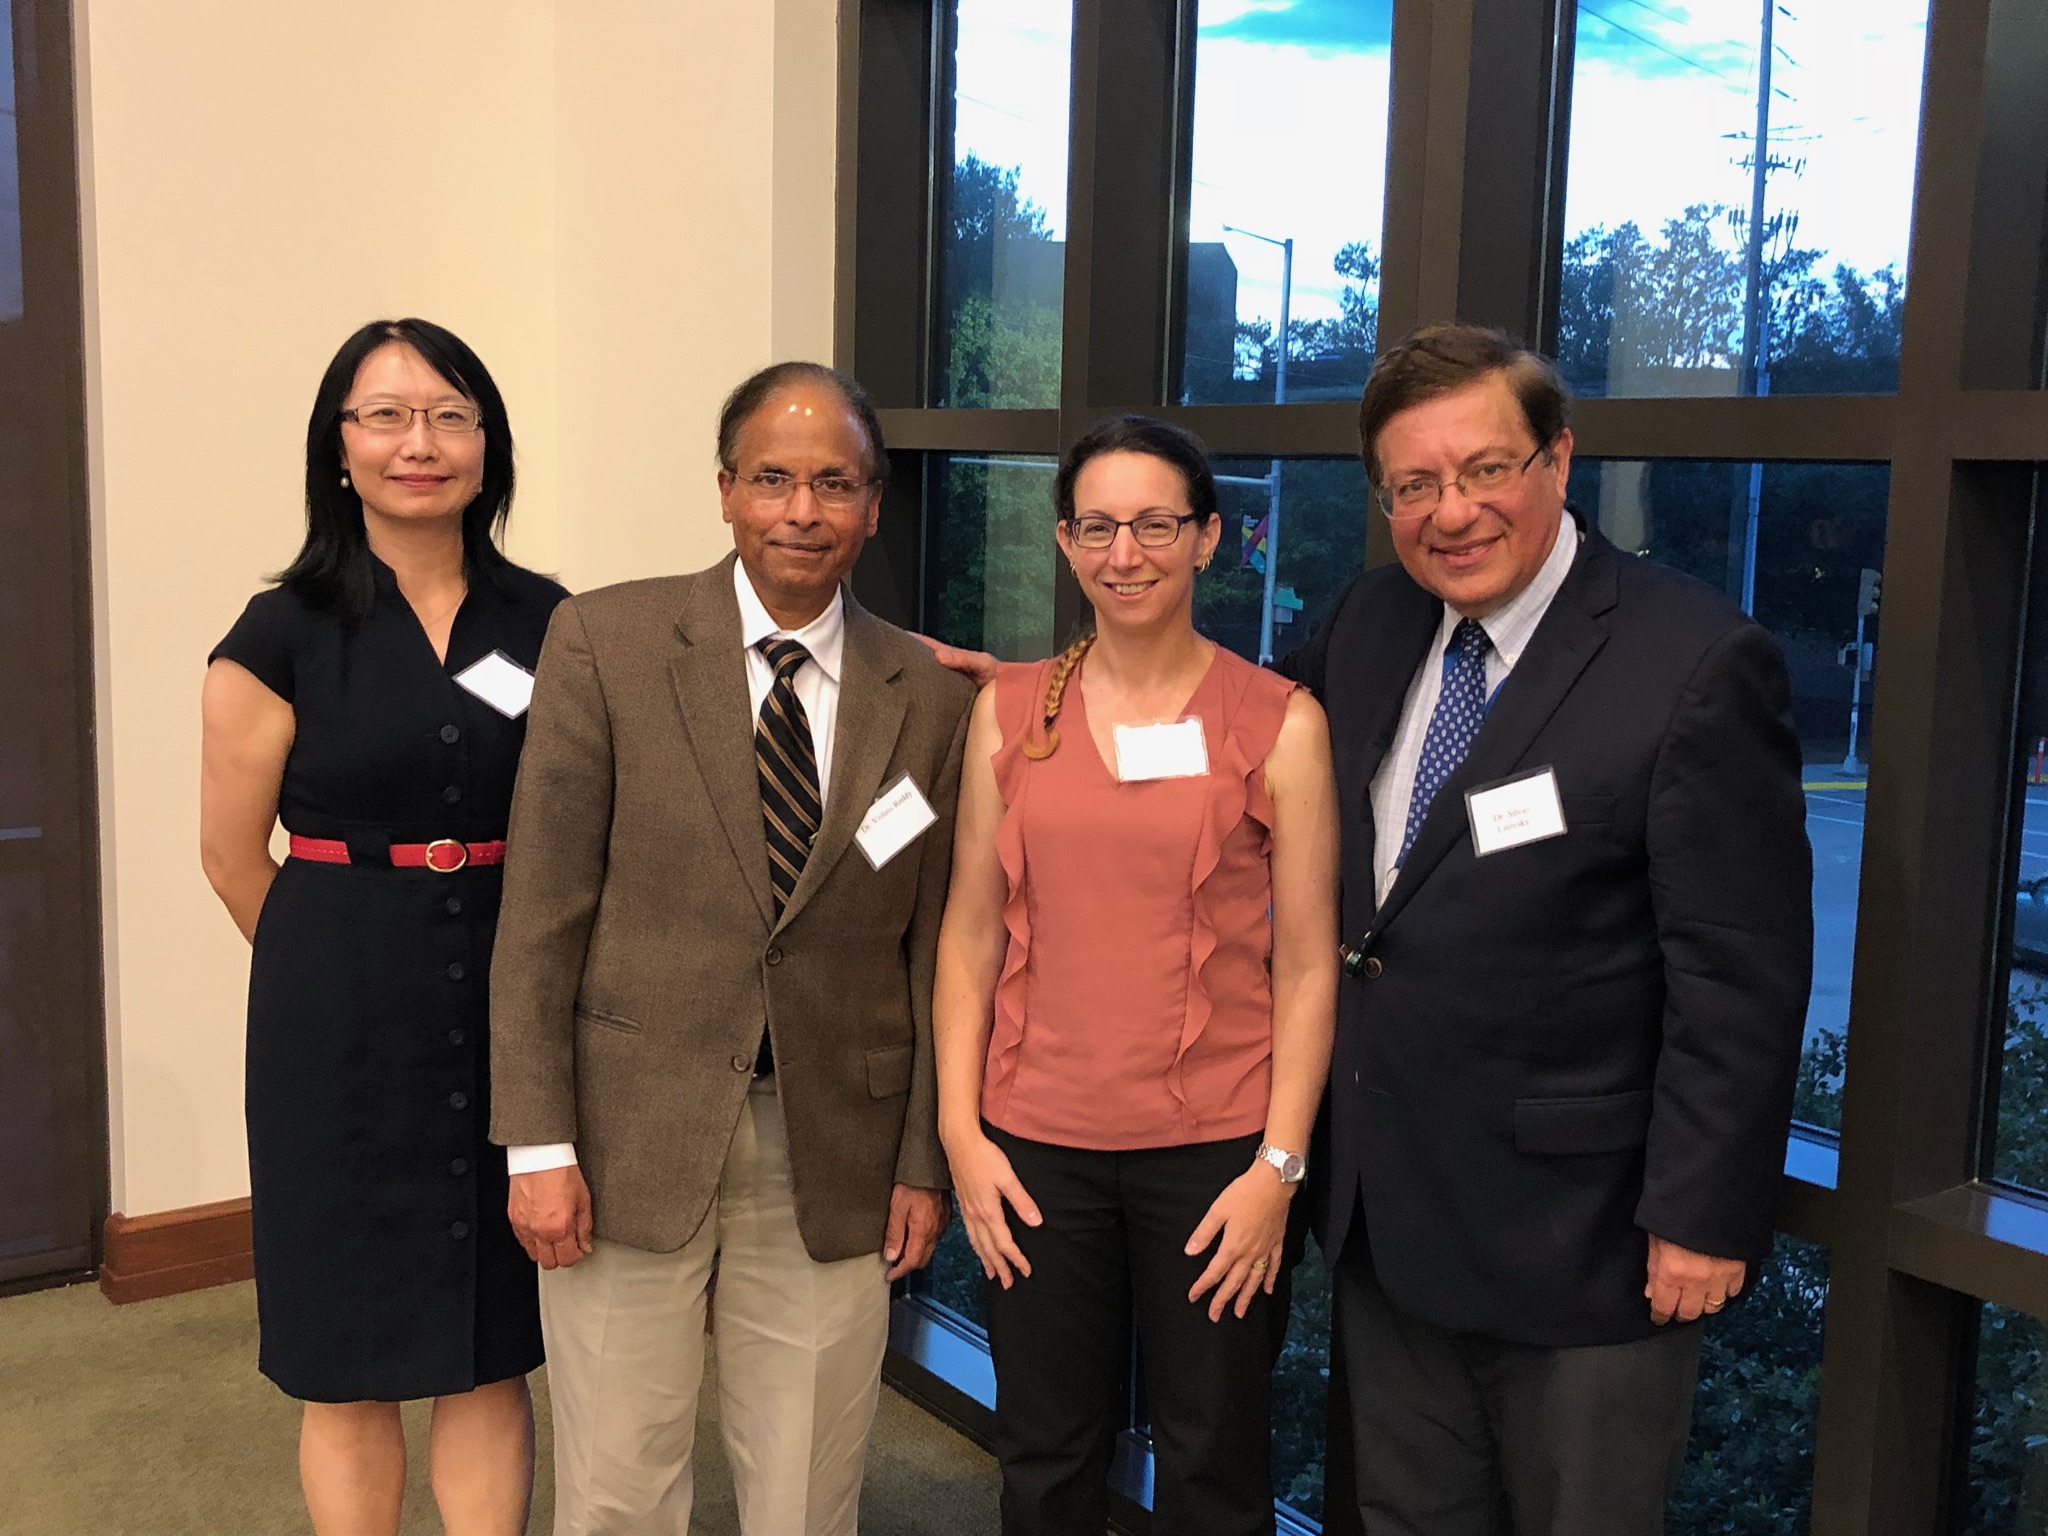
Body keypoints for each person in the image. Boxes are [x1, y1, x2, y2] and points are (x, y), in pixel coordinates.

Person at [1280, 325, 1813, 1534]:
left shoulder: (1693, 661)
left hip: (1585, 1248)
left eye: (1484, 469)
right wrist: (1014, 693)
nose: (1450, 512)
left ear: (1556, 459)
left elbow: (1738, 973)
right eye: (1413, 485)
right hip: (1390, 1220)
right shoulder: (1368, 622)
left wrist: (1699, 1215)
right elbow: (1227, 726)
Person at [487, 361, 975, 1535]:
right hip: (626, 1128)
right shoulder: (604, 641)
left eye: (834, 484)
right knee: (617, 1479)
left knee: (808, 1485)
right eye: (771, 479)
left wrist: (921, 1161)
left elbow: (931, 950)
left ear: (872, 506)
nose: (801, 511)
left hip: (837, 1142)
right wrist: (536, 1146)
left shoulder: (931, 697)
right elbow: (541, 915)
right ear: (723, 491)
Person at [933, 415, 1340, 1536]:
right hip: (1033, 1153)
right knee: (1043, 1457)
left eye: (1156, 525)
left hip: (1216, 1160)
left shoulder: (1280, 724)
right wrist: (963, 1137)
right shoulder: (1007, 712)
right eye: (1099, 527)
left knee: (1214, 1460)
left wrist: (1278, 1168)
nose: (1126, 554)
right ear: (1065, 542)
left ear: (1207, 537)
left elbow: (1309, 965)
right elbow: (970, 935)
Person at [200, 318, 563, 1536]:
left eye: (450, 416)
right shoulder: (280, 632)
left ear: (487, 445)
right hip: (333, 1032)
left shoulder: (547, 620)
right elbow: (229, 857)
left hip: (504, 1016)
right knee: (345, 1354)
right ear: (338, 447)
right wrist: (338, 970)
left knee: (487, 1342)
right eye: (387, 416)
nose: (421, 443)